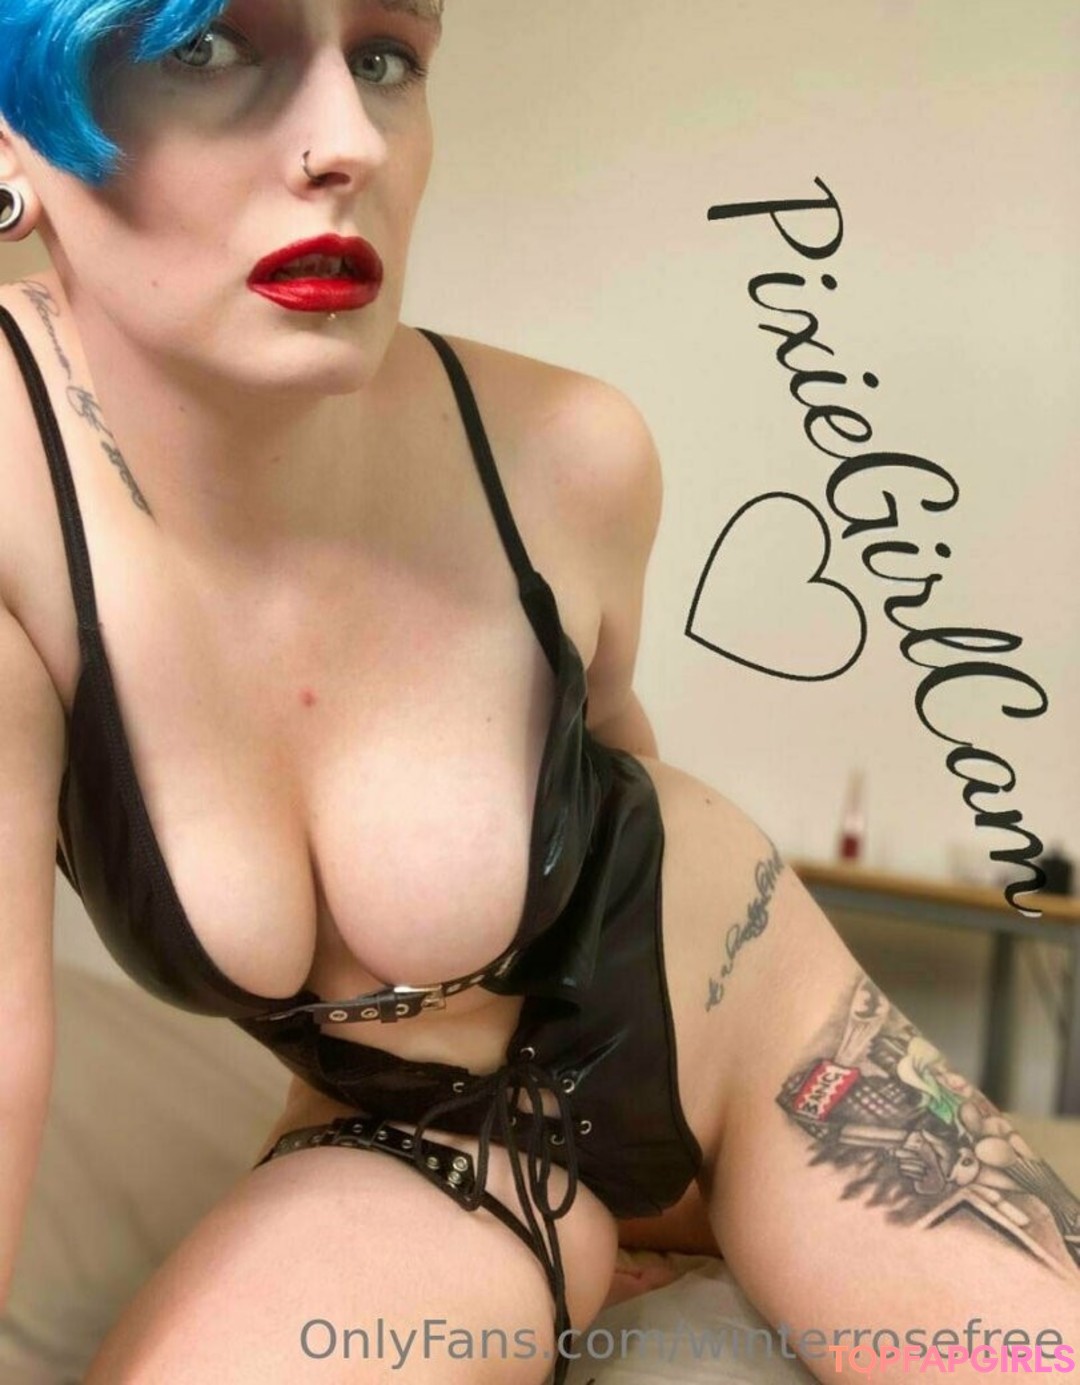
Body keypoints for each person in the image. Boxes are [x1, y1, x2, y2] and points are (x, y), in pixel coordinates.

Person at [0, 1, 1076, 1381]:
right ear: (17, 130)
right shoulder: (20, 506)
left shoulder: (568, 452)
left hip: (752, 1040)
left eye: (385, 56)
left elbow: (613, 773)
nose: (346, 142)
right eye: (210, 48)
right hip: (420, 1139)